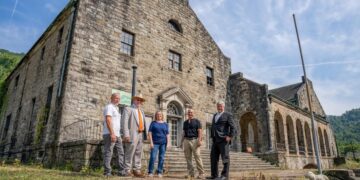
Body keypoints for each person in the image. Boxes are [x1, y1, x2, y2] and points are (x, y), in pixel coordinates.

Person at [207, 101, 237, 180]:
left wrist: (230, 136)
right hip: (215, 140)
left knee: (225, 158)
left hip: (223, 139)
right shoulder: (215, 115)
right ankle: (214, 175)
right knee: (213, 158)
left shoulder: (228, 115)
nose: (219, 107)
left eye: (220, 106)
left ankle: (224, 176)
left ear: (223, 106)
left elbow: (233, 127)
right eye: (218, 106)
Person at [122, 94, 147, 178]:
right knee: (129, 152)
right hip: (132, 134)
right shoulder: (128, 109)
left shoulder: (141, 111)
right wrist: (126, 134)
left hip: (140, 134)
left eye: (140, 100)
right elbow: (124, 123)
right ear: (134, 100)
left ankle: (137, 170)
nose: (139, 101)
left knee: (138, 153)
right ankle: (127, 170)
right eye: (137, 100)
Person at [102, 93, 125, 177]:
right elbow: (108, 120)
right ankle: (107, 172)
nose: (118, 100)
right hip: (109, 133)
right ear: (111, 98)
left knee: (121, 152)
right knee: (108, 152)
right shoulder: (109, 107)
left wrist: (118, 134)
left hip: (117, 135)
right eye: (116, 98)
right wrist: (112, 133)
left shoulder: (117, 108)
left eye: (119, 98)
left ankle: (121, 171)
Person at [181, 109, 205, 179]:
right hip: (186, 140)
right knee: (188, 158)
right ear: (187, 113)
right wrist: (181, 142)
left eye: (191, 112)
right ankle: (191, 173)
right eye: (189, 112)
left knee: (197, 157)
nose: (190, 113)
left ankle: (201, 173)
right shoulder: (185, 122)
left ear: (193, 113)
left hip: (195, 140)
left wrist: (199, 140)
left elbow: (200, 131)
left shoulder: (197, 121)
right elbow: (184, 133)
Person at [147, 111, 170, 178]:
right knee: (153, 157)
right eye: (157, 114)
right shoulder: (153, 123)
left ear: (162, 115)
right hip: (155, 143)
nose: (159, 115)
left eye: (160, 114)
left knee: (161, 158)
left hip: (163, 143)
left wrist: (168, 143)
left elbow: (167, 134)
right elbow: (150, 132)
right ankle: (150, 172)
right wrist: (151, 142)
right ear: (156, 115)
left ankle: (160, 171)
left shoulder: (165, 124)